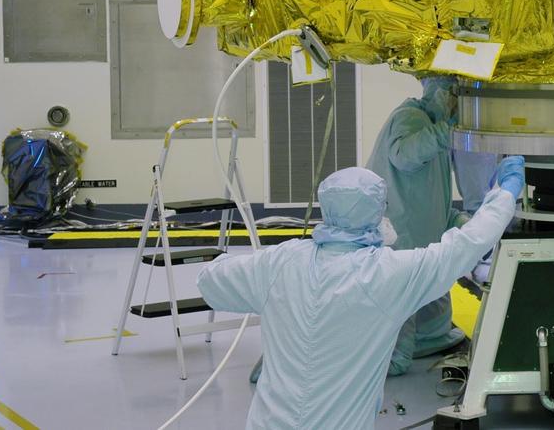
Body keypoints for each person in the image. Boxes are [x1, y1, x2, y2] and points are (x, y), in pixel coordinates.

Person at [197, 158, 525, 430]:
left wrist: (244, 269)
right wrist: (504, 194)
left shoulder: (280, 261)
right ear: (375, 211)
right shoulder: (386, 275)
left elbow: (209, 282)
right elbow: (464, 247)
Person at [366, 76, 471, 375]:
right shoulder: (410, 116)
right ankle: (395, 356)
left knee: (429, 300)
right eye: (452, 94)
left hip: (422, 241)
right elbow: (405, 157)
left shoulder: (433, 128)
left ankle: (430, 339)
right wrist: (445, 132)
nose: (454, 103)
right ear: (438, 92)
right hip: (403, 239)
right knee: (401, 302)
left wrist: (455, 220)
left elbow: (431, 192)